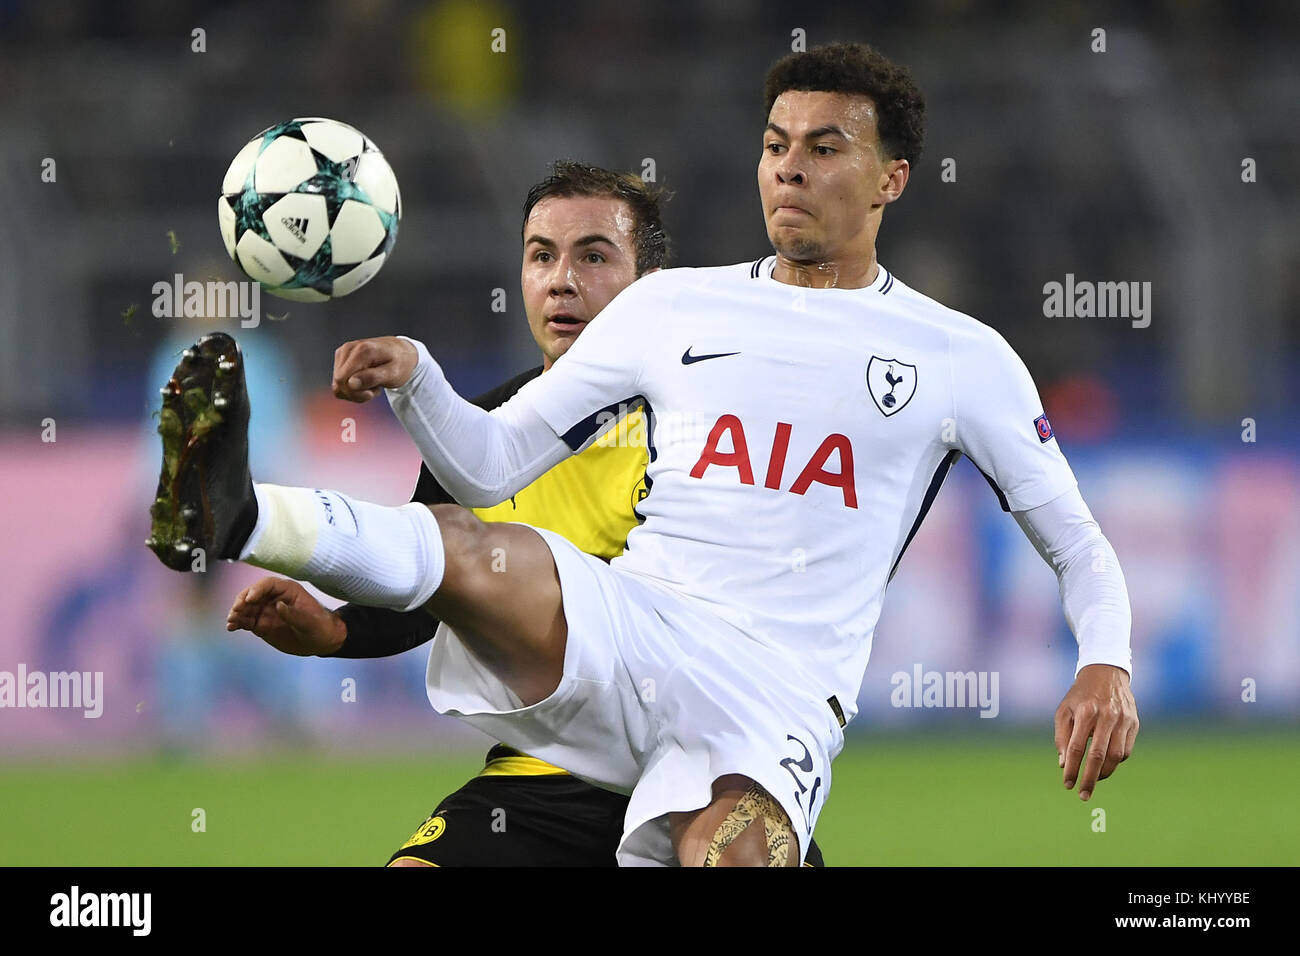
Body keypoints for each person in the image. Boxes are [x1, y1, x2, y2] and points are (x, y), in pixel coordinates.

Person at [156, 42, 1138, 867]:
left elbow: (1078, 545)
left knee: (731, 853)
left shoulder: (961, 356)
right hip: (633, 620)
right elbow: (493, 461)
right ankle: (238, 515)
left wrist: (1105, 661)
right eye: (773, 145)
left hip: (773, 697)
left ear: (891, 178)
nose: (787, 168)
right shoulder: (673, 306)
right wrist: (419, 378)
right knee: (470, 539)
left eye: (823, 147)